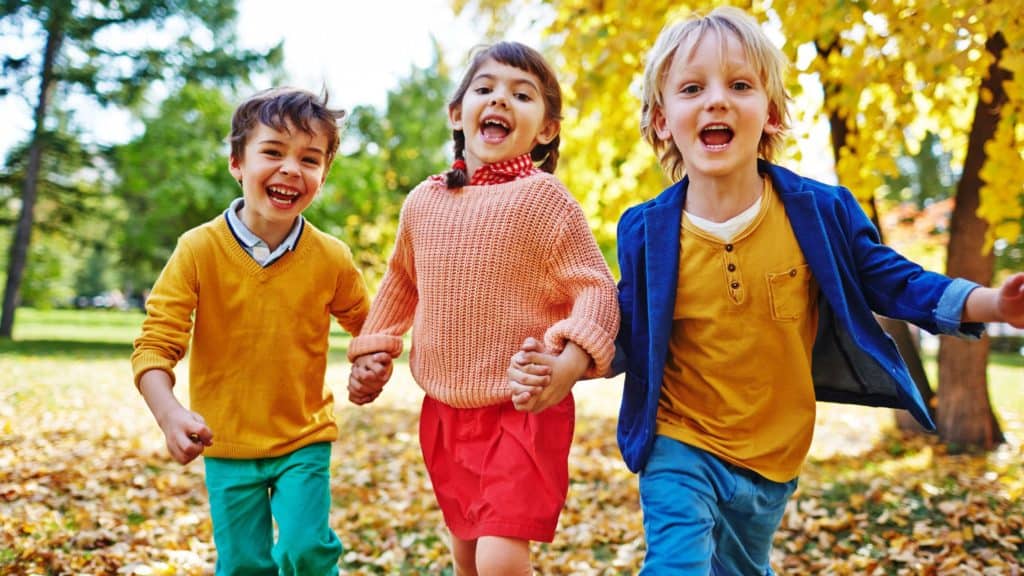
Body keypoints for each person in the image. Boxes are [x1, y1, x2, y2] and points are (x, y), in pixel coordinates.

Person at [508, 6, 1024, 575]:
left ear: (771, 113)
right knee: (676, 563)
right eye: (691, 88)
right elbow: (626, 326)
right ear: (661, 120)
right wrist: (568, 366)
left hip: (774, 453)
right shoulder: (647, 229)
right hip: (679, 438)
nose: (716, 100)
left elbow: (896, 281)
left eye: (739, 85)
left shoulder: (818, 212)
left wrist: (992, 303)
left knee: (742, 568)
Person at [345, 41, 620, 575]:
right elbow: (401, 281)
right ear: (457, 112)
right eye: (486, 88)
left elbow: (595, 287)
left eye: (522, 94)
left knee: (499, 553)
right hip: (446, 406)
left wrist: (569, 362)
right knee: (467, 550)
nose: (501, 100)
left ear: (546, 129)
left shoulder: (545, 200)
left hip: (525, 404)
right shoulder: (423, 202)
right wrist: (373, 351)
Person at [130, 87, 391, 576]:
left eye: (310, 159)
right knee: (244, 564)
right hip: (225, 443)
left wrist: (371, 365)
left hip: (303, 437)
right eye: (273, 152)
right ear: (237, 162)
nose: (292, 168)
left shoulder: (331, 257)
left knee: (304, 548)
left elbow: (370, 327)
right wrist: (168, 415)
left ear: (322, 175)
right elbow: (154, 346)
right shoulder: (198, 249)